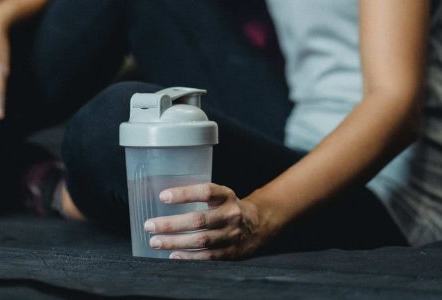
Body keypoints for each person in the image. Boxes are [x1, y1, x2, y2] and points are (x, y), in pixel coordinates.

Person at [61, 0, 442, 260]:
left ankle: (56, 193)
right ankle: (3, 146)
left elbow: (395, 107)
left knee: (112, 124)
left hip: (386, 193)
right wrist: (3, 16)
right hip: (295, 134)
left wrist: (259, 214)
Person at [0, 0, 288, 215]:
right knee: (118, 127)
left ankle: (64, 197)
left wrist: (264, 212)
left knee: (109, 125)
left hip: (305, 154)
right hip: (280, 115)